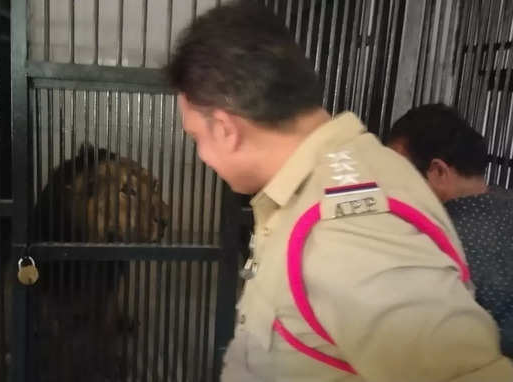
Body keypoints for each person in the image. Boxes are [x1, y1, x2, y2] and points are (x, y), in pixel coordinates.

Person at [166, 2, 513, 381]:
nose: (200, 153)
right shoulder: (349, 171)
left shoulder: (350, 231)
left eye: (195, 136)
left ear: (224, 128)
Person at [387, 103, 513, 357]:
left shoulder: (439, 241)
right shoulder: (504, 198)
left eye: (397, 172)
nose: (389, 185)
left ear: (438, 171)